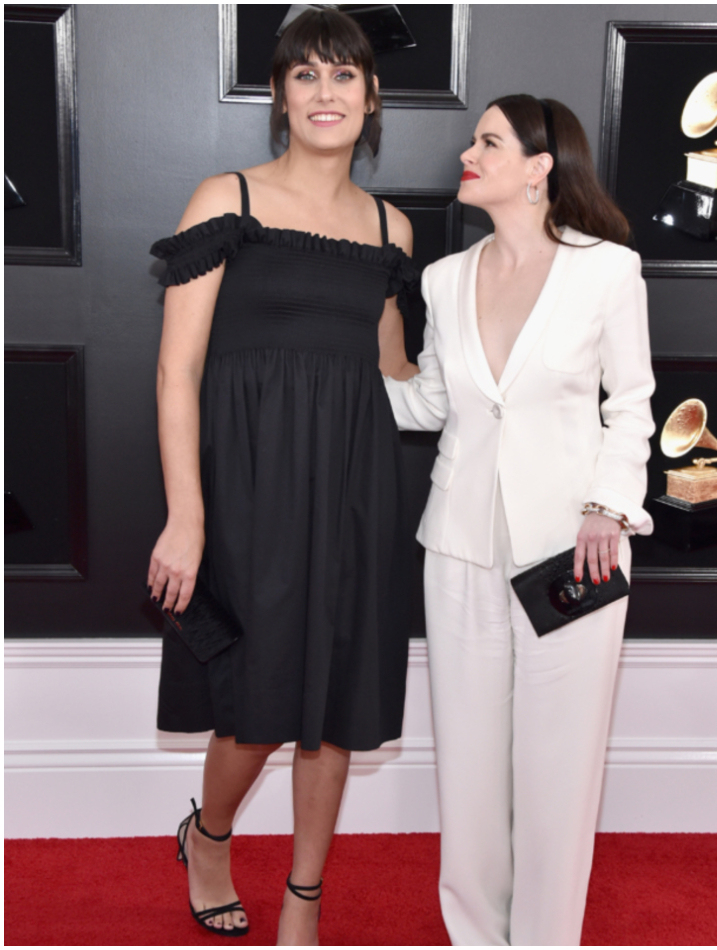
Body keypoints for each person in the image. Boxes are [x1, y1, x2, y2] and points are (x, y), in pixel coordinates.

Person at [147, 9, 416, 943]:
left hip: (353, 490)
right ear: (280, 96)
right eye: (306, 76)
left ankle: (304, 901)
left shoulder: (393, 228)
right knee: (256, 709)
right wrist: (188, 516)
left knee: (335, 703)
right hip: (249, 486)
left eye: (345, 76)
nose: (327, 92)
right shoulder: (227, 199)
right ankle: (209, 834)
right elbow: (177, 369)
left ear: (371, 97)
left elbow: (395, 374)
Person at [383, 94, 655, 946]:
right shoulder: (442, 278)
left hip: (573, 549)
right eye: (474, 140)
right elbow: (430, 403)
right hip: (458, 546)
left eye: (488, 141)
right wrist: (370, 324)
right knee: (468, 766)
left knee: (558, 769)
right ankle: (475, 935)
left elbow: (635, 401)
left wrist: (608, 504)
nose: (469, 152)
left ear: (539, 168)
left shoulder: (607, 270)